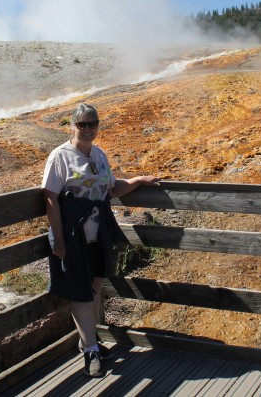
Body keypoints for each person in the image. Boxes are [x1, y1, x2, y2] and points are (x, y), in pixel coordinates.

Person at [42, 103, 160, 377]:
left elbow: (112, 189)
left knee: (95, 284)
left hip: (98, 233)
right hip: (73, 234)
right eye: (82, 124)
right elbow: (50, 198)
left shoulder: (99, 154)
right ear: (71, 125)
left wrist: (138, 180)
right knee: (80, 288)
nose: (87, 128)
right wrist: (58, 240)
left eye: (92, 123)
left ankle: (90, 343)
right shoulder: (60, 157)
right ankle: (91, 349)